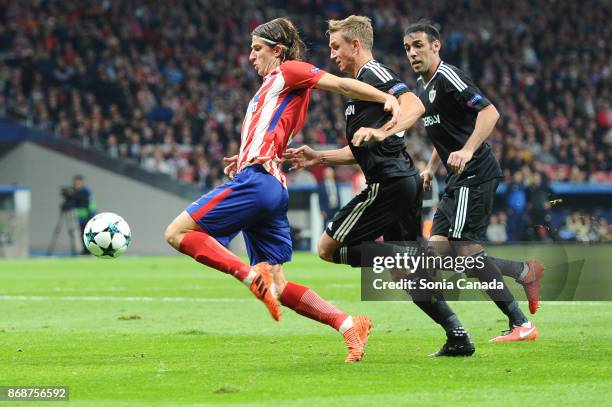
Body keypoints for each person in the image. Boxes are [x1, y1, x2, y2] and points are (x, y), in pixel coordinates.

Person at [164, 18, 403, 363]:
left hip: (258, 182)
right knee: (277, 285)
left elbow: (342, 85)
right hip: (269, 183)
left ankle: (248, 276)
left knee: (177, 232)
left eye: (257, 49)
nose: (250, 56)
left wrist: (387, 98)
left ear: (277, 51)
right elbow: (272, 131)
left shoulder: (290, 70)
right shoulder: (270, 88)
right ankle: (349, 324)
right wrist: (243, 155)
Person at [285, 15, 477, 358]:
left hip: (388, 183)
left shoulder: (374, 74)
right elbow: (360, 149)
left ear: (356, 45)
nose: (331, 54)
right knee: (407, 274)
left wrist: (382, 131)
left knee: (327, 248)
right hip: (402, 181)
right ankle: (458, 334)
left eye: (336, 46)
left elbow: (414, 105)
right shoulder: (364, 86)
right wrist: (319, 157)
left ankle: (407, 256)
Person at [401, 20, 543, 344]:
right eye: (408, 48)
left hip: (476, 173)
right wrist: (429, 168)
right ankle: (523, 271)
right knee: (436, 255)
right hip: (455, 179)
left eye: (419, 45)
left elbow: (490, 113)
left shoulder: (449, 77)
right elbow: (443, 136)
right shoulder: (425, 90)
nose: (412, 53)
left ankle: (521, 323)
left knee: (466, 251)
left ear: (436, 46)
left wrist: (466, 150)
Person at [68, 175, 96, 254]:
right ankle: (85, 249)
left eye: (78, 181)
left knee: (88, 233)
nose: (76, 183)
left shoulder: (85, 191)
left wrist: (90, 215)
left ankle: (89, 249)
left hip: (88, 216)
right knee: (82, 233)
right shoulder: (74, 191)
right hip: (80, 218)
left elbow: (90, 203)